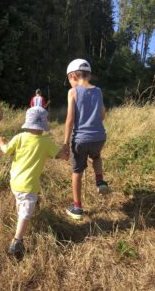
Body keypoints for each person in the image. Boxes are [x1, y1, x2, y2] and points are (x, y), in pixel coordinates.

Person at [0, 107, 67, 256]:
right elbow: (60, 155)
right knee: (26, 213)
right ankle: (17, 241)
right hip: (29, 185)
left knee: (21, 205)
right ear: (43, 125)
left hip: (15, 181)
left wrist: (2, 142)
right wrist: (66, 152)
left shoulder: (20, 137)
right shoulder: (46, 142)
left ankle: (18, 229)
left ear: (28, 124)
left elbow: (6, 150)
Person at [63, 58, 109, 220]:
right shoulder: (98, 91)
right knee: (96, 156)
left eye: (69, 79)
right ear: (89, 75)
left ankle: (77, 208)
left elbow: (69, 119)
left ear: (73, 76)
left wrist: (65, 143)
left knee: (77, 172)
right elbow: (102, 115)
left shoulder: (73, 92)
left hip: (80, 140)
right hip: (99, 137)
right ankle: (100, 181)